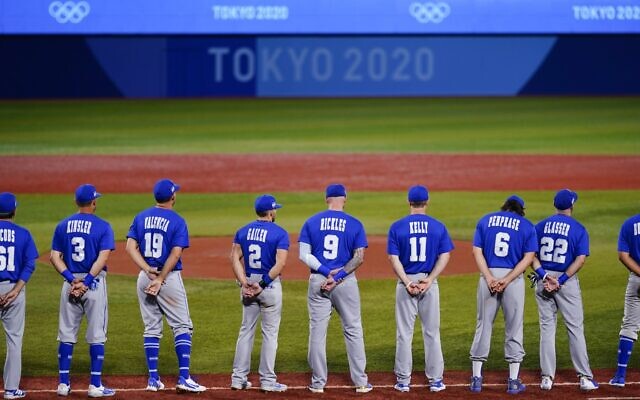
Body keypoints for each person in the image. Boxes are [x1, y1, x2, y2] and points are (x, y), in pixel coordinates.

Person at [125, 179, 206, 394]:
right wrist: (160, 278)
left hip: (145, 276)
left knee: (151, 327)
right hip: (167, 278)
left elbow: (130, 247)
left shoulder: (141, 217)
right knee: (182, 326)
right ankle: (184, 378)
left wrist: (146, 269)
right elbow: (176, 252)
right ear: (173, 197)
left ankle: (153, 379)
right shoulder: (177, 220)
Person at [298, 183, 372, 394]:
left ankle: (318, 383)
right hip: (345, 281)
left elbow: (304, 255)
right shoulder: (355, 224)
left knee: (317, 332)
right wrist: (338, 275)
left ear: (326, 199)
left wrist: (325, 271)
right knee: (353, 329)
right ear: (345, 198)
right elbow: (359, 258)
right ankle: (361, 382)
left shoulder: (311, 222)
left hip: (318, 280)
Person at [50, 184, 115, 397]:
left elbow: (54, 257)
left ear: (76, 202)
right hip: (93, 283)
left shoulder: (62, 225)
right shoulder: (103, 226)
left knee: (66, 333)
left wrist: (71, 280)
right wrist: (86, 281)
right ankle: (95, 385)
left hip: (69, 284)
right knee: (97, 334)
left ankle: (62, 384)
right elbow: (103, 257)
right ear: (93, 202)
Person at [387, 185, 454, 393]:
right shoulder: (438, 226)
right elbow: (445, 255)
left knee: (404, 334)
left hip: (405, 282)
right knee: (432, 333)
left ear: (409, 202)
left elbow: (393, 258)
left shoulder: (397, 227)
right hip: (428, 283)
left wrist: (407, 282)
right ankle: (435, 380)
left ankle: (403, 380)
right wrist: (430, 279)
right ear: (427, 202)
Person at [468, 194, 537, 394]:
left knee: (483, 325)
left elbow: (477, 251)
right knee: (514, 327)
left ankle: (476, 379)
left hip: (487, 278)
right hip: (513, 280)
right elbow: (529, 257)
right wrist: (506, 280)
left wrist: (489, 277)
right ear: (520, 210)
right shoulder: (526, 225)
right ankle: (513, 381)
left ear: (504, 207)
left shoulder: (485, 220)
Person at [530, 189, 598, 391]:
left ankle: (546, 378)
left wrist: (544, 275)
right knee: (575, 328)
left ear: (555, 205)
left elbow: (531, 255)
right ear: (572, 205)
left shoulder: (540, 226)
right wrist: (561, 279)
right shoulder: (578, 228)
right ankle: (585, 378)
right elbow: (580, 259)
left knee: (547, 328)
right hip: (564, 280)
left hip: (543, 279)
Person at [230, 194, 289, 392]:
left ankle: (238, 379)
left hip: (249, 284)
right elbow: (280, 263)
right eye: (275, 209)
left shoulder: (243, 231)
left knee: (246, 331)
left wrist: (244, 282)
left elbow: (234, 258)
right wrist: (262, 283)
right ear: (271, 212)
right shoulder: (280, 233)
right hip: (269, 286)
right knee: (270, 335)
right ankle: (268, 381)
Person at [0, 193, 38, 400]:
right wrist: (15, 290)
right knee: (14, 340)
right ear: (14, 211)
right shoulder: (23, 234)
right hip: (13, 290)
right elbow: (30, 264)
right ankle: (11, 390)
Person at [609, 210, 640, 387]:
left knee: (629, 326)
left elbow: (623, 256)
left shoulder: (630, 224)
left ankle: (620, 376)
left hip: (637, 279)